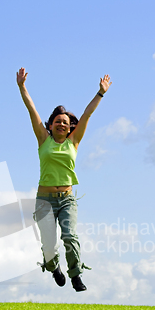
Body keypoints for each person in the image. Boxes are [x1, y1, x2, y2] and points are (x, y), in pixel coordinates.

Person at [17, 67, 112, 291]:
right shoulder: (43, 139)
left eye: (66, 122)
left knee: (70, 237)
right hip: (45, 201)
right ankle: (53, 267)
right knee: (49, 246)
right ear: (50, 125)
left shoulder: (74, 142)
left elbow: (87, 114)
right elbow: (31, 110)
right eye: (58, 121)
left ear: (71, 128)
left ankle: (76, 274)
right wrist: (22, 87)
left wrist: (100, 93)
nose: (62, 124)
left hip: (67, 198)